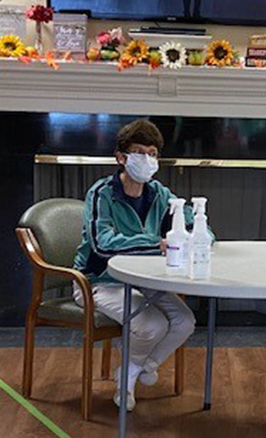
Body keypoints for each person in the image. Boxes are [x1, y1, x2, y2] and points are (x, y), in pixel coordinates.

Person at [73, 119, 209, 412]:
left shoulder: (159, 193)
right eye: (139, 152)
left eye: (152, 153)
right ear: (121, 157)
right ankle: (128, 382)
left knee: (186, 322)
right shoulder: (102, 194)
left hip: (146, 281)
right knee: (153, 325)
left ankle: (133, 370)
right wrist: (155, 244)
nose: (147, 160)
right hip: (98, 281)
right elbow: (103, 244)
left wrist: (200, 234)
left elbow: (194, 223)